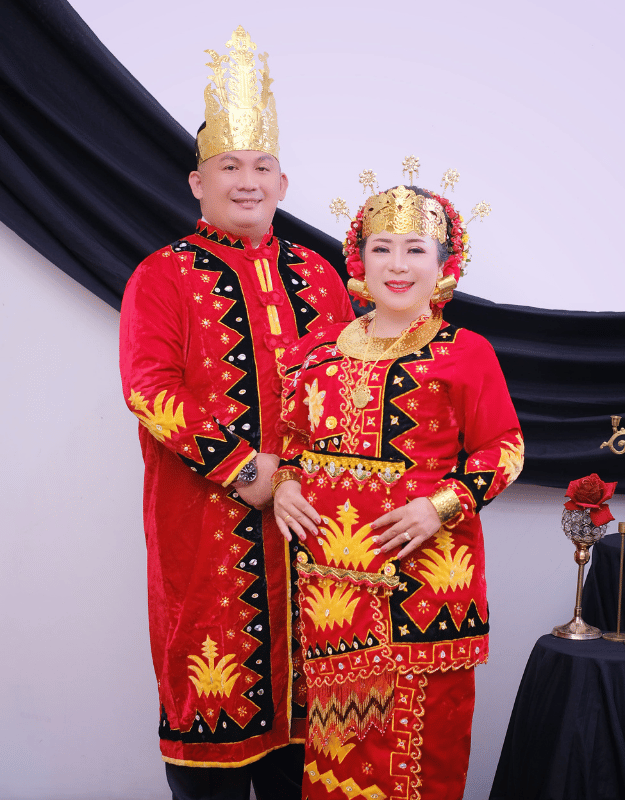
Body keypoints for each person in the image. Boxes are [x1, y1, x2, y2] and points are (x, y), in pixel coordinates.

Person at [118, 27, 353, 800]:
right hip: (207, 535)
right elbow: (150, 390)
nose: (246, 181)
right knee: (211, 742)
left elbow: (348, 387)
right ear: (198, 182)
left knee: (309, 764)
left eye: (260, 166)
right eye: (229, 166)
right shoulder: (162, 276)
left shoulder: (319, 275)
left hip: (315, 539)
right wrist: (252, 472)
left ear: (283, 182)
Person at [272, 171, 524, 799]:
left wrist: (441, 505)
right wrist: (285, 485)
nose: (398, 264)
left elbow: (505, 448)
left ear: (443, 263)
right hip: (333, 594)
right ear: (359, 258)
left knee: (423, 757)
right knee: (338, 760)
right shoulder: (318, 352)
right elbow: (293, 443)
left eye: (416, 249)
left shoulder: (466, 351)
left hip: (426, 582)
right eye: (382, 247)